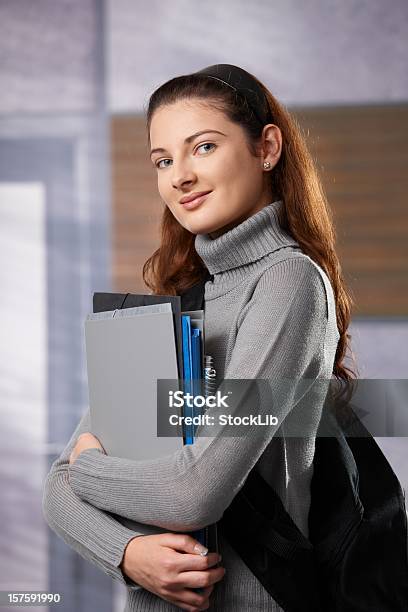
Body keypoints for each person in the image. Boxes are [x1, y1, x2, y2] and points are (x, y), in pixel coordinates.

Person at [42, 63, 356, 611]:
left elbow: (193, 494)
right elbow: (53, 493)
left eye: (203, 147)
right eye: (163, 160)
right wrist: (128, 552)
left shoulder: (288, 282)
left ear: (267, 148)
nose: (178, 175)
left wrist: (86, 468)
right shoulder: (182, 301)